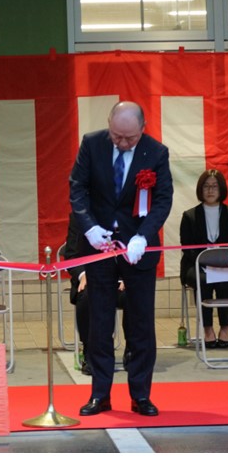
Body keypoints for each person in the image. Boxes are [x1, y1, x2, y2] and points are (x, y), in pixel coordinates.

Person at [69, 100, 173, 417]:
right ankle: (100, 394)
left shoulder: (156, 152)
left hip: (138, 248)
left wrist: (144, 235)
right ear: (109, 125)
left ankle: (140, 395)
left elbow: (163, 199)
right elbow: (77, 189)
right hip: (99, 245)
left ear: (143, 128)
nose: (122, 143)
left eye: (129, 137)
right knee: (99, 323)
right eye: (117, 136)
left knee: (141, 324)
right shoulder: (92, 144)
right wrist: (89, 228)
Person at [179, 168, 228, 349]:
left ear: (221, 189)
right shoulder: (189, 216)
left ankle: (225, 328)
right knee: (203, 280)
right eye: (206, 186)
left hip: (225, 265)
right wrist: (205, 262)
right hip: (196, 265)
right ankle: (208, 330)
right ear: (200, 189)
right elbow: (187, 247)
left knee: (226, 279)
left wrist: (221, 264)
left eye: (214, 186)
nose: (210, 190)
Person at [63, 211, 129, 376]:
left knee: (135, 294)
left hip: (120, 279)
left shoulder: (125, 213)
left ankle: (132, 350)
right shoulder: (79, 217)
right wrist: (83, 275)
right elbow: (71, 255)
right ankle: (91, 352)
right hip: (91, 277)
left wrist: (128, 276)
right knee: (86, 297)